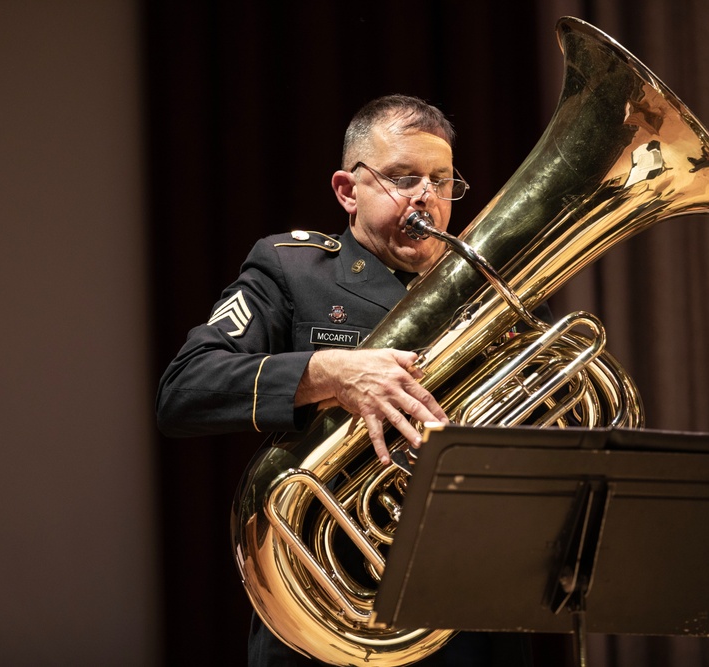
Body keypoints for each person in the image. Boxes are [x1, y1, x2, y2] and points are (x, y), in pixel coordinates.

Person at [156, 94, 536, 666]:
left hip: (469, 618)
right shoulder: (292, 269)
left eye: (442, 181)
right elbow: (184, 389)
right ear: (346, 190)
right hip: (331, 606)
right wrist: (328, 370)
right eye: (403, 179)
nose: (425, 198)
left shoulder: (488, 292)